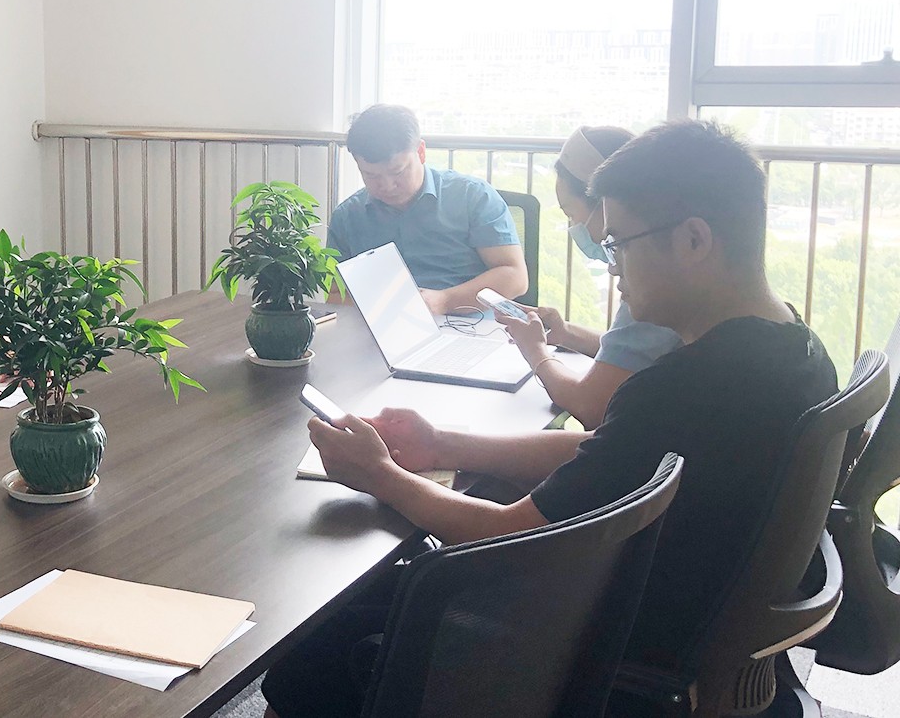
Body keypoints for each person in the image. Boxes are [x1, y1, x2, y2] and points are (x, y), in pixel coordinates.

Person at [264, 120, 836, 718]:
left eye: (618, 244)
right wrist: (442, 444)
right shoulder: (794, 350)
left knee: (315, 653)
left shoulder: (681, 390)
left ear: (694, 240)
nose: (613, 268)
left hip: (604, 652)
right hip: (679, 609)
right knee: (381, 592)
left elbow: (511, 537)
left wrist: (381, 475)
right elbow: (609, 449)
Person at [497, 126, 683, 427]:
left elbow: (590, 404)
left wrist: (536, 353)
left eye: (571, 212)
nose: (574, 226)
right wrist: (566, 333)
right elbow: (634, 355)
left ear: (605, 204)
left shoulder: (654, 283)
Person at [328, 104, 528, 314]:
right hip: (384, 326)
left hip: (468, 322)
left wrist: (445, 301)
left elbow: (514, 276)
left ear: (421, 152)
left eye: (398, 172)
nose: (387, 185)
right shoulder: (348, 216)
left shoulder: (473, 196)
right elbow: (334, 294)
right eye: (371, 175)